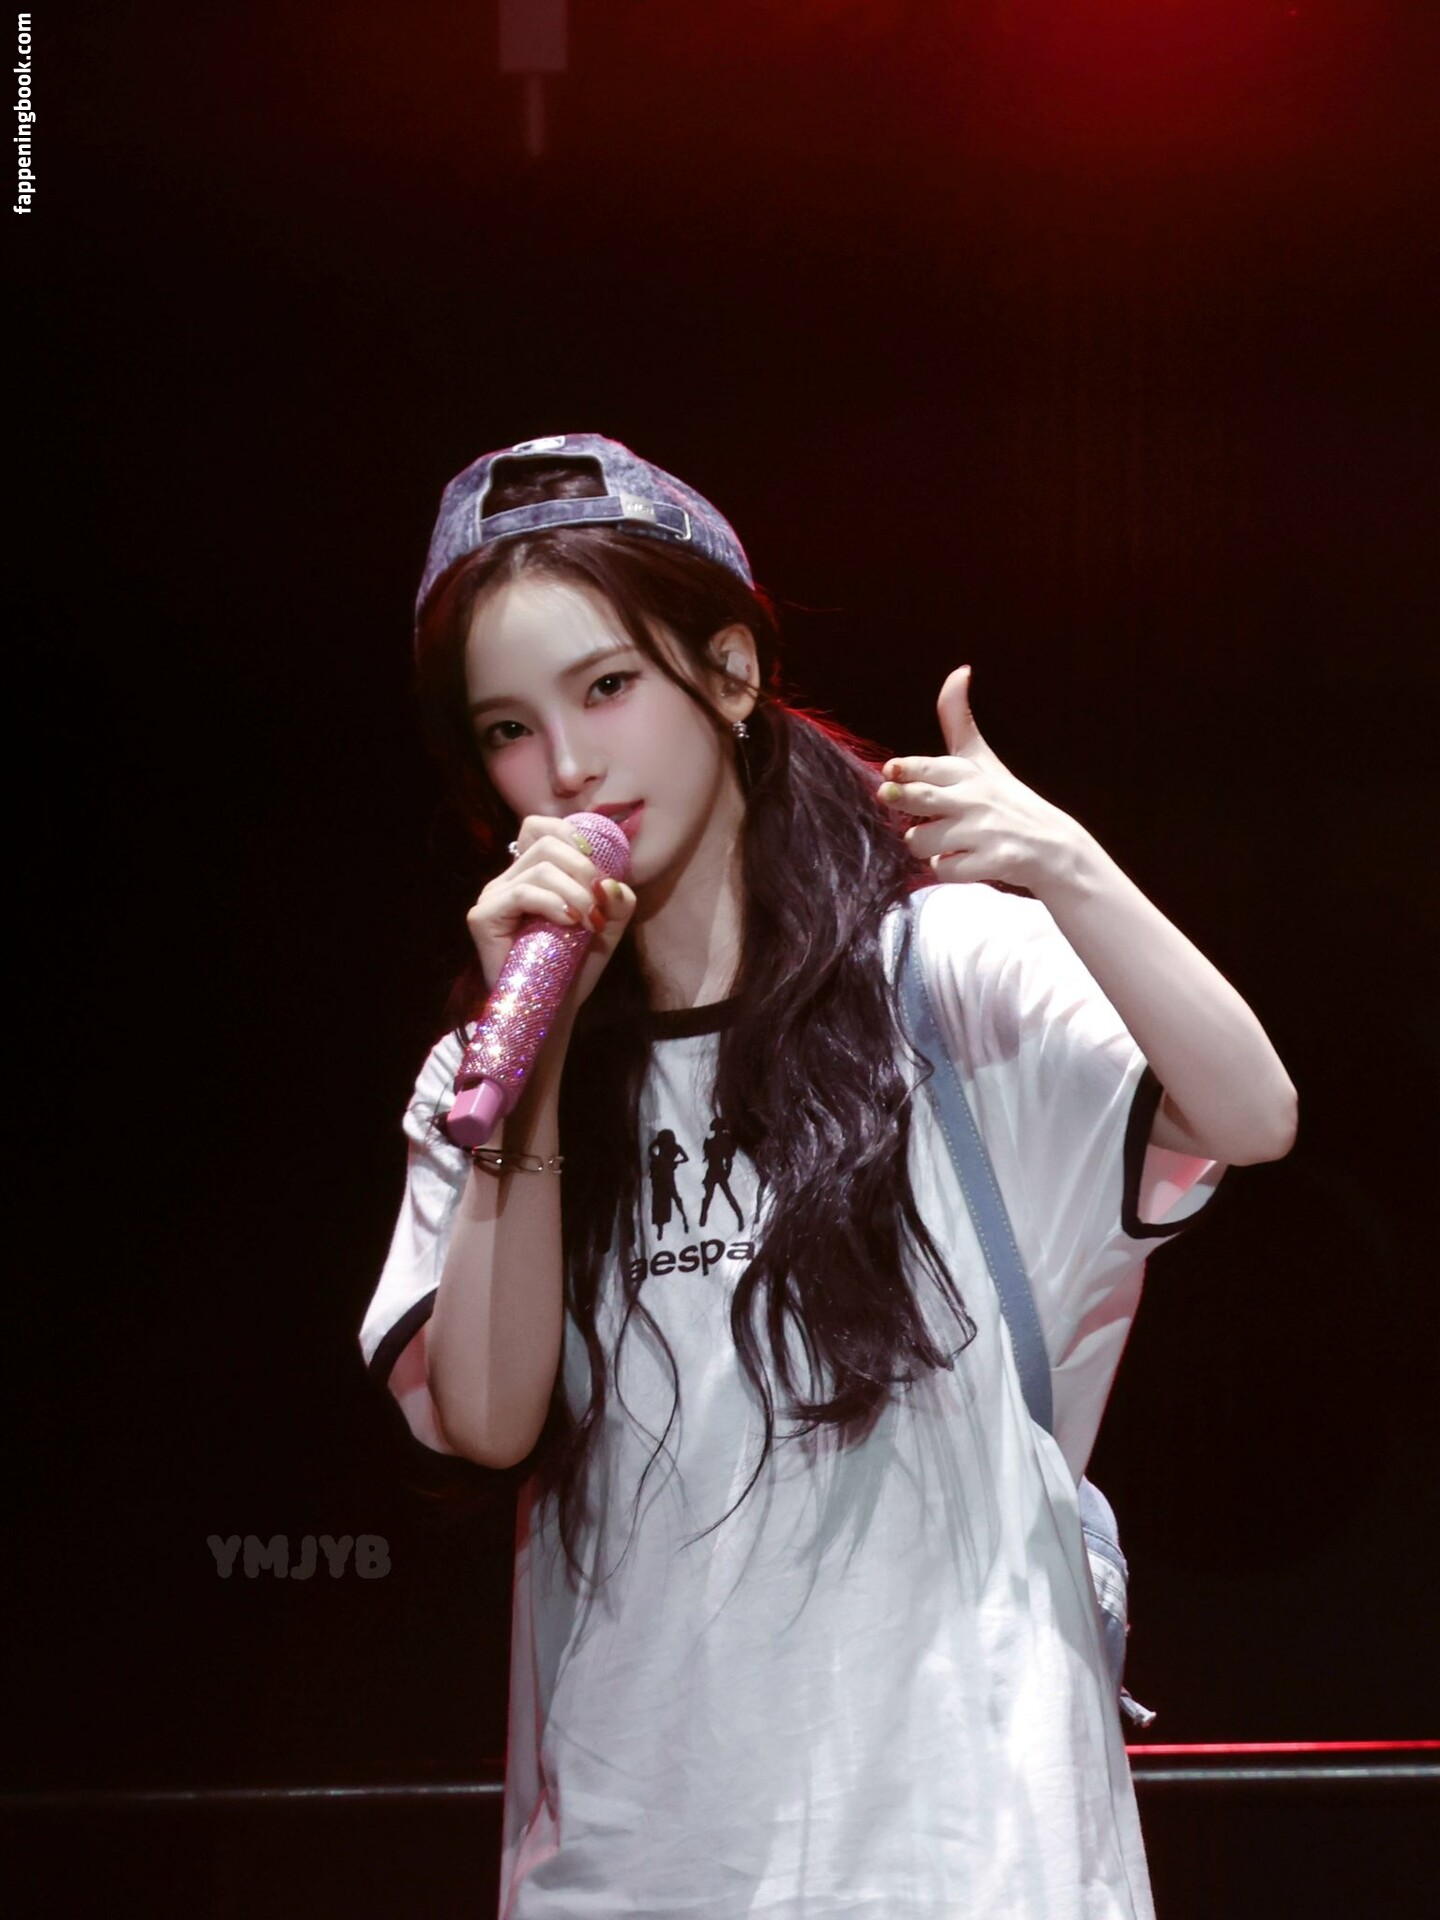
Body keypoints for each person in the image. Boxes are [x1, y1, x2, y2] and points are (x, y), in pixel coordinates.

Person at [360, 432, 1297, 1920]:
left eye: (608, 687)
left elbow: (1251, 1111)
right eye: (508, 728)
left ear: (729, 671)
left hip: (975, 1860)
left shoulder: (945, 974)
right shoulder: (485, 1079)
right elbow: (485, 1417)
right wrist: (527, 1058)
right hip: (633, 1876)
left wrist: (1065, 865)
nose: (569, 764)